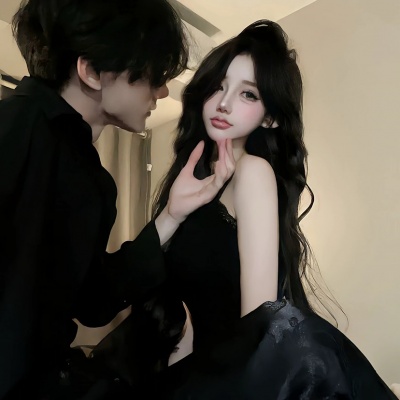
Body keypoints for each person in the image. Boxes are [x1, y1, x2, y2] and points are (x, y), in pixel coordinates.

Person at [144, 19, 395, 398]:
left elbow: (258, 326)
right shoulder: (193, 179)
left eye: (248, 94)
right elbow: (189, 310)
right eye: (219, 86)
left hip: (250, 375)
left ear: (270, 117)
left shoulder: (253, 172)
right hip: (209, 368)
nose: (224, 102)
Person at [0, 0, 235, 398]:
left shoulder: (95, 180)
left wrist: (171, 216)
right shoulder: (14, 127)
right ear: (91, 71)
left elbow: (92, 301)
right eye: (152, 77)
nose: (162, 91)